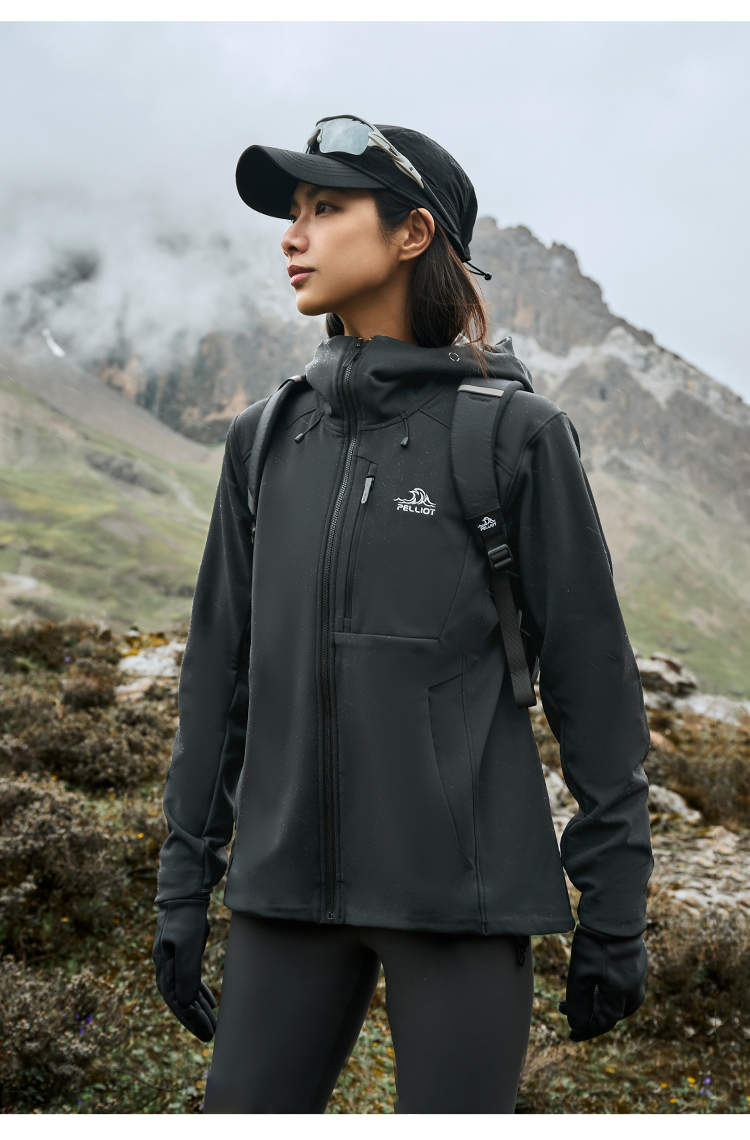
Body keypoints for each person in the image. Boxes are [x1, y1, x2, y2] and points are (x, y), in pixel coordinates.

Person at [151, 115, 653, 1114]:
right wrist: (183, 881)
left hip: (462, 901)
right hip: (283, 895)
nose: (293, 236)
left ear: (412, 233)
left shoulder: (515, 436)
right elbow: (218, 675)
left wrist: (616, 907)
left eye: (326, 208)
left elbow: (592, 683)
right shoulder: (265, 437)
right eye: (293, 212)